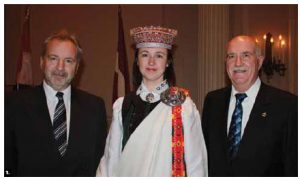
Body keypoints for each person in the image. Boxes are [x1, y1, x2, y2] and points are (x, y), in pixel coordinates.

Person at [96, 26, 207, 176]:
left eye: (159, 56)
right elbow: (112, 159)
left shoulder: (183, 105)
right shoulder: (122, 105)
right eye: (145, 55)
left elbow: (196, 161)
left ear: (168, 62)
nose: (151, 62)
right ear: (137, 60)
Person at [5, 30, 108, 176]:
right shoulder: (13, 105)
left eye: (68, 61)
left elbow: (99, 164)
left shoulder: (95, 108)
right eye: (53, 58)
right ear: (42, 62)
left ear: (77, 67)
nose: (60, 68)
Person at [201, 35, 297, 176]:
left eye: (246, 55)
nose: (238, 63)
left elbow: (293, 166)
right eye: (231, 56)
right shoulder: (213, 101)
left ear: (260, 61)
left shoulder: (286, 105)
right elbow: (204, 156)